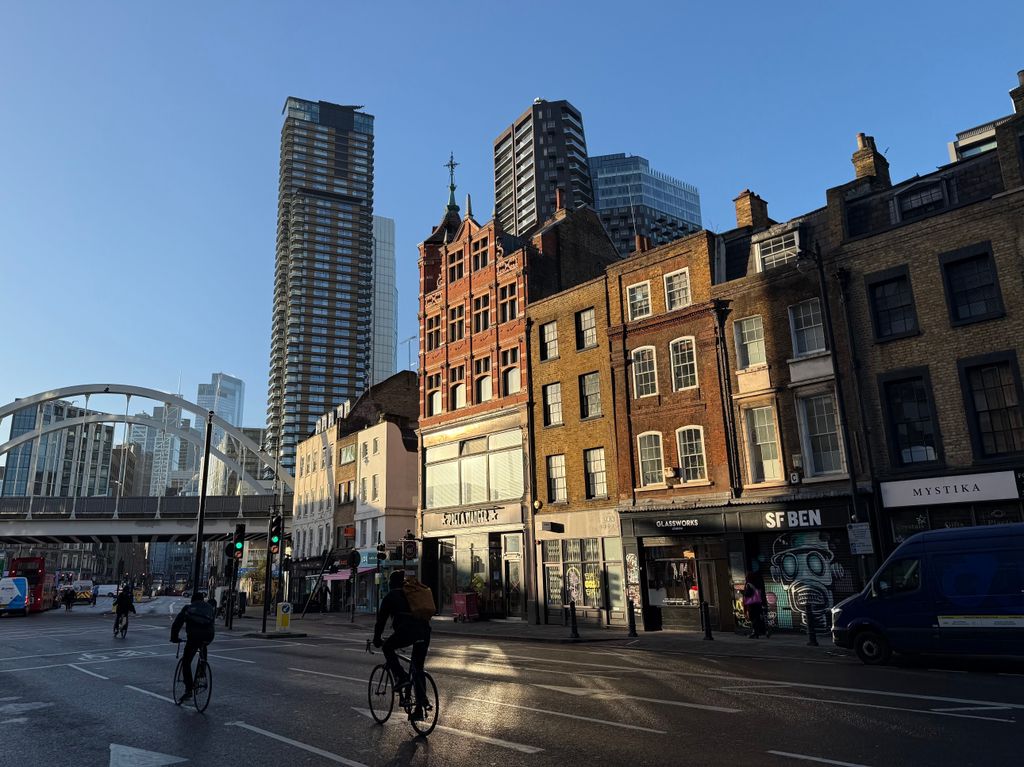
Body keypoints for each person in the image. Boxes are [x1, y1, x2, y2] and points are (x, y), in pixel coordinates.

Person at [373, 571, 431, 721]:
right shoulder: (412, 594)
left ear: (391, 584)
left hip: (407, 631)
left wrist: (376, 638)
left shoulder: (390, 596)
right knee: (418, 668)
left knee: (387, 647)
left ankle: (401, 676)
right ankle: (419, 708)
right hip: (425, 631)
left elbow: (381, 621)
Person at [170, 592, 216, 703]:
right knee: (203, 645)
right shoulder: (209, 608)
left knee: (186, 662)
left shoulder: (188, 608)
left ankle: (189, 689)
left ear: (192, 600)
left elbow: (177, 624)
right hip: (209, 636)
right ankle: (202, 670)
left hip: (194, 636)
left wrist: (174, 637)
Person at [743, 572, 767, 639]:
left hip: (752, 604)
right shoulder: (758, 583)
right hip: (758, 603)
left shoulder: (749, 584)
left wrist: (743, 593)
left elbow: (747, 595)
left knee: (753, 618)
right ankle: (760, 631)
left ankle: (755, 632)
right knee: (757, 618)